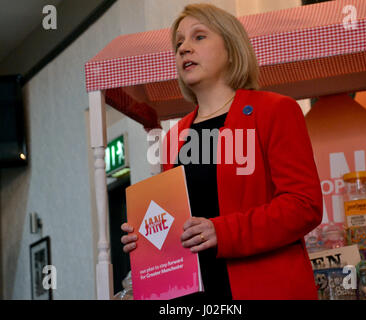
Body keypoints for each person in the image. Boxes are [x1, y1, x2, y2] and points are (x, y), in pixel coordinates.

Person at [121, 3, 323, 300]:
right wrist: (147, 239)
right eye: (179, 43)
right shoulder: (175, 137)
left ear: (231, 48)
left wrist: (223, 232)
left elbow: (304, 206)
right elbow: (179, 227)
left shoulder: (274, 111)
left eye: (199, 37)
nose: (184, 49)